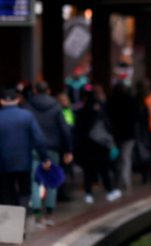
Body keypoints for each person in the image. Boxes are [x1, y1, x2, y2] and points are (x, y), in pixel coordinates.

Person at [23, 82, 73, 224]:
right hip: (53, 148)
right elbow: (65, 130)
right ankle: (49, 211)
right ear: (49, 90)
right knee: (52, 177)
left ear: (34, 90)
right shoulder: (56, 107)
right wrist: (68, 149)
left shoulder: (28, 106)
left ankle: (37, 210)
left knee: (34, 179)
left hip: (33, 147)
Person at [0, 86, 50, 209]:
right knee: (24, 191)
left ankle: (12, 222)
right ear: (17, 100)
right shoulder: (27, 116)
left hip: (3, 163)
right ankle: (21, 216)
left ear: (1, 101)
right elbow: (39, 138)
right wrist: (45, 157)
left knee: (7, 192)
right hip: (23, 161)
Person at [74, 88, 120, 204]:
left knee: (88, 171)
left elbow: (77, 130)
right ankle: (109, 191)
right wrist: (111, 143)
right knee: (104, 170)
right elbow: (106, 129)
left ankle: (88, 194)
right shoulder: (99, 113)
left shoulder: (80, 112)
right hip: (100, 146)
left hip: (86, 146)